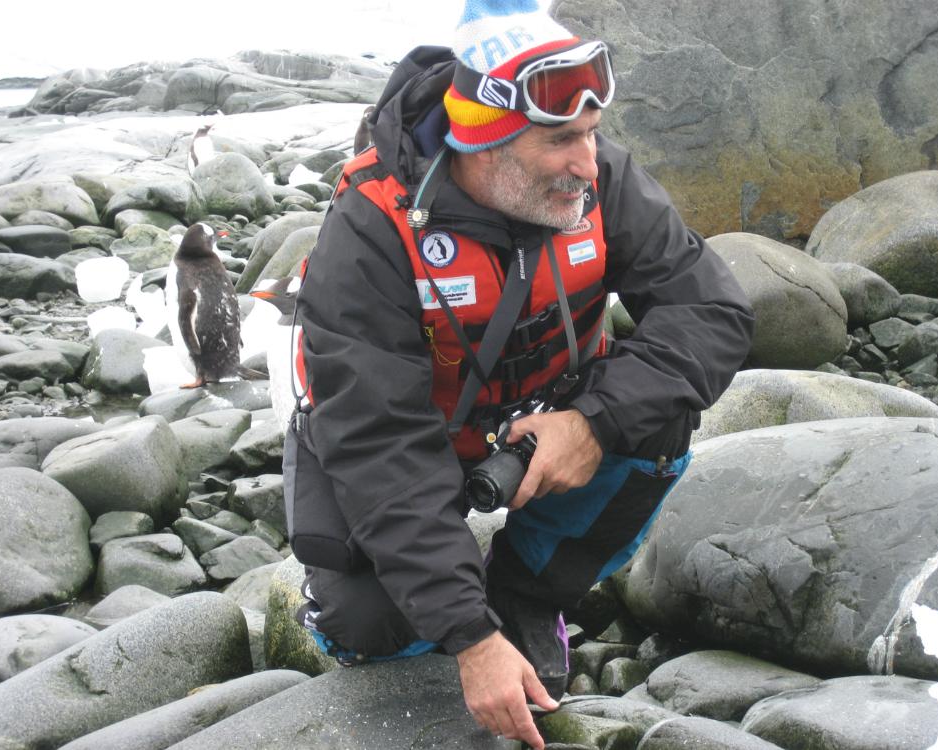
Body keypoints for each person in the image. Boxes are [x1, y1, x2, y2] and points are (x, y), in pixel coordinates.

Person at [286, 1, 755, 747]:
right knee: (369, 632)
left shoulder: (598, 182)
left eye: (593, 134)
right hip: (398, 439)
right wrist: (470, 641)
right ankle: (452, 617)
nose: (588, 163)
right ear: (482, 142)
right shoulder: (370, 228)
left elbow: (714, 312)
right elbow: (378, 448)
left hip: (540, 419)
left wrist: (592, 423)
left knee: (655, 419)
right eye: (561, 139)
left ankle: (528, 592)